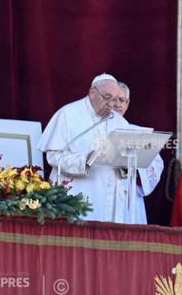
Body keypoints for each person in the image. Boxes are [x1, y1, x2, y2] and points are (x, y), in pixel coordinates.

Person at [37, 74, 139, 223]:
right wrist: (85, 160)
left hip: (110, 199)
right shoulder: (68, 114)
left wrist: (126, 164)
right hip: (77, 194)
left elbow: (126, 162)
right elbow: (53, 157)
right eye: (107, 97)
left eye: (116, 99)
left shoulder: (119, 122)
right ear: (92, 92)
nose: (112, 105)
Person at [113, 81, 164, 224]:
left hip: (130, 199)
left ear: (127, 104)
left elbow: (156, 164)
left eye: (122, 100)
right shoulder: (95, 131)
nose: (117, 104)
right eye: (114, 100)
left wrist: (136, 172)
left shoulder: (139, 133)